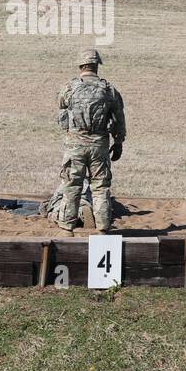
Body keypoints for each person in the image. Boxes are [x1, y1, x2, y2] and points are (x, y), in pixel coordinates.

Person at [56, 48, 126, 233]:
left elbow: (61, 110)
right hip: (99, 147)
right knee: (100, 187)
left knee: (71, 186)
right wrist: (118, 142)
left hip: (75, 146)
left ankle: (67, 227)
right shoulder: (108, 90)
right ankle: (103, 227)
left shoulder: (69, 88)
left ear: (81, 65)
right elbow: (119, 118)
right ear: (97, 66)